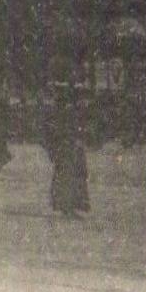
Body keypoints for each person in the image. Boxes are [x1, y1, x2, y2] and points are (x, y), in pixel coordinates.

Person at [46, 84, 90, 217]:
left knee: (70, 174)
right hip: (67, 147)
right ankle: (68, 206)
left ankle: (68, 205)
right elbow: (63, 130)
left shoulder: (65, 111)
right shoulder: (67, 111)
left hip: (68, 147)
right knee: (69, 174)